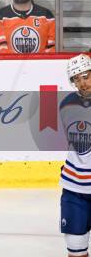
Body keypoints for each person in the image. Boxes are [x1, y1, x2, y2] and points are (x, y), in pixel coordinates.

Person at [60, 53, 91, 257]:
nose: (82, 83)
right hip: (75, 189)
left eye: (86, 75)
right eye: (77, 78)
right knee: (76, 252)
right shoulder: (67, 105)